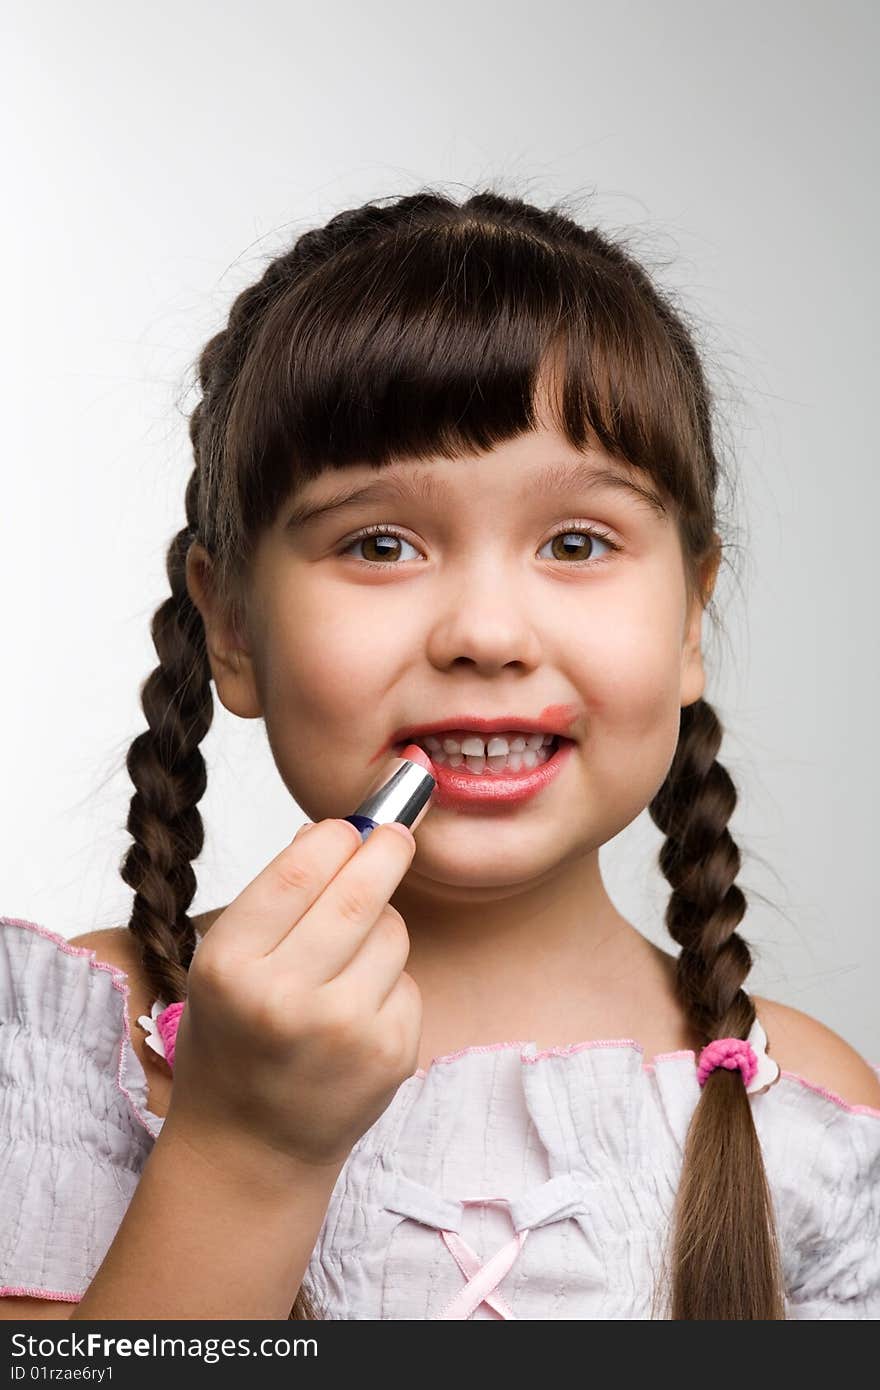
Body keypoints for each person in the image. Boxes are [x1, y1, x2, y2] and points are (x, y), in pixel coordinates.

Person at [2, 188, 878, 1323]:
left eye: (576, 541)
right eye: (379, 543)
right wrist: (243, 1149)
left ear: (689, 620)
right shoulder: (75, 1050)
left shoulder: (805, 1112)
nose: (486, 634)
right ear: (229, 628)